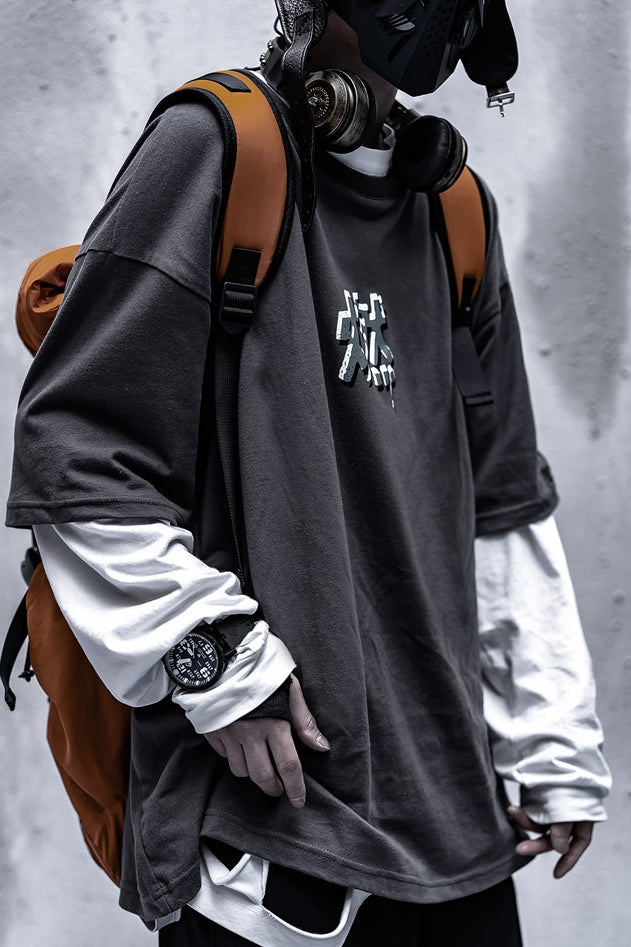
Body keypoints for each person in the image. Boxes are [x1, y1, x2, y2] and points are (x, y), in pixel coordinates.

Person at [6, 2, 611, 945]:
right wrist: (218, 667)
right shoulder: (215, 147)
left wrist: (550, 737)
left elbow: (502, 504)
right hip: (271, 842)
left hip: (459, 828)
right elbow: (78, 449)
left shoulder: (454, 210)